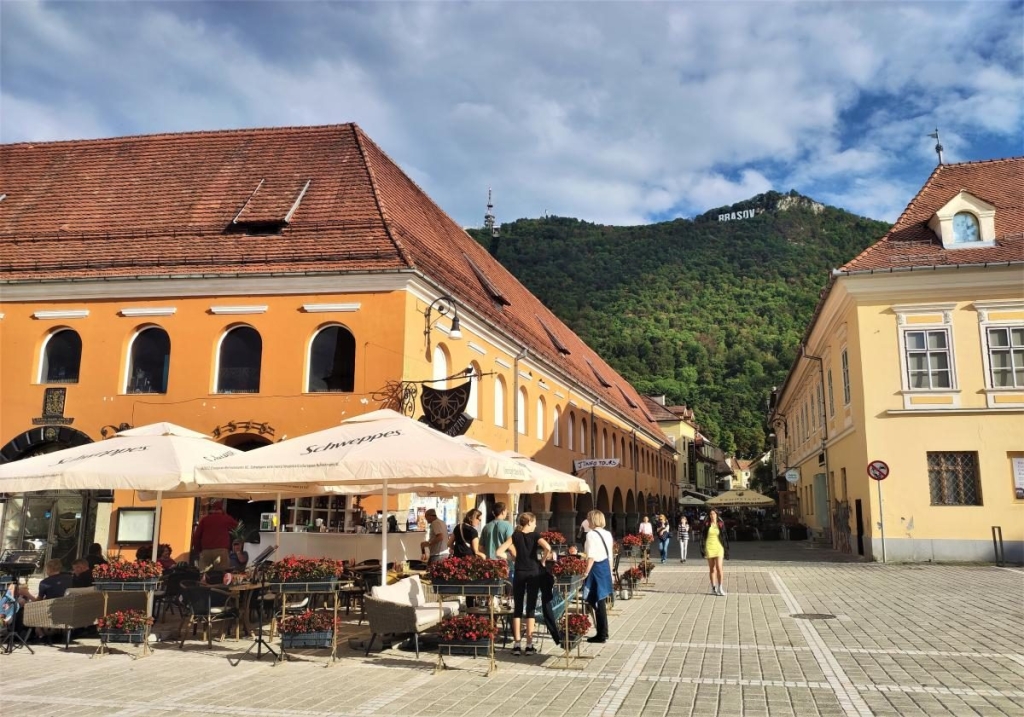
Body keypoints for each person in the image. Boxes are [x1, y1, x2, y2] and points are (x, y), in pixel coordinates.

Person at [496, 512, 557, 655]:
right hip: (534, 572)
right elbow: (548, 548)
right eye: (534, 522)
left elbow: (499, 552)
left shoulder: (515, 535)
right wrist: (541, 561)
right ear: (529, 522)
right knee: (530, 607)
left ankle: (517, 644)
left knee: (517, 607)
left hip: (519, 572)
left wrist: (512, 558)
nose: (535, 525)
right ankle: (529, 645)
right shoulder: (535, 536)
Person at [581, 509, 613, 644]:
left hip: (596, 568)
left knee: (595, 600)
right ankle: (603, 631)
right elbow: (610, 554)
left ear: (593, 520)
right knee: (600, 601)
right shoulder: (607, 533)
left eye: (588, 518)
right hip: (605, 567)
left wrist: (586, 572)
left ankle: (601, 633)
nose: (587, 521)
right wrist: (611, 572)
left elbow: (591, 556)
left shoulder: (591, 535)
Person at [191, 500, 238, 573]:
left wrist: (198, 550)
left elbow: (197, 536)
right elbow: (236, 526)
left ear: (212, 509)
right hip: (221, 551)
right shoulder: (225, 518)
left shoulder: (204, 520)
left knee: (204, 574)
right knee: (220, 575)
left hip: (206, 551)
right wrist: (224, 514)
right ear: (221, 509)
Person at [699, 508, 730, 596]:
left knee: (719, 568)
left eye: (714, 514)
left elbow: (724, 537)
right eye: (711, 514)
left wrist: (726, 548)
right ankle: (713, 588)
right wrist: (703, 549)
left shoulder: (720, 524)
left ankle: (720, 587)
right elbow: (703, 537)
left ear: (717, 515)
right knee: (712, 568)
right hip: (709, 547)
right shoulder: (707, 524)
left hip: (719, 547)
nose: (712, 515)